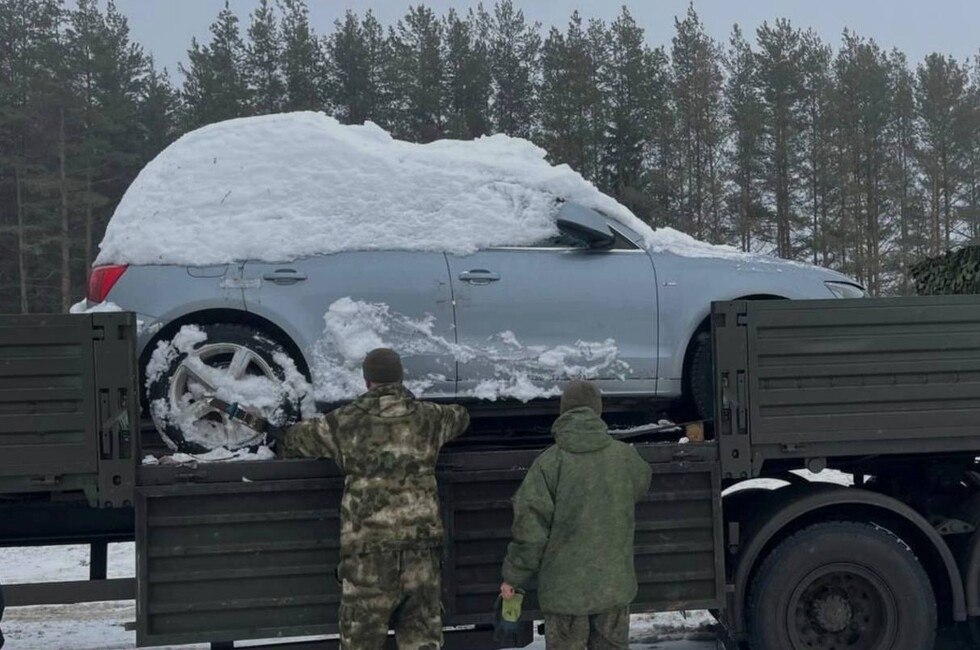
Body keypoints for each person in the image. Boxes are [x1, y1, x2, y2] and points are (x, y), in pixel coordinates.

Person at [277, 348, 470, 650]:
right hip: (421, 552)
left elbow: (294, 441)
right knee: (422, 641)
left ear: (367, 381)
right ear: (400, 377)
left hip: (367, 556)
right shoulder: (430, 418)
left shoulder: (343, 423)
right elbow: (461, 417)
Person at [499, 380, 653, 650]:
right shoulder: (625, 459)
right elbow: (643, 481)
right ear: (598, 410)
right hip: (613, 590)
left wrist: (513, 578)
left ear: (564, 410)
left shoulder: (548, 464)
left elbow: (530, 533)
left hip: (564, 597)